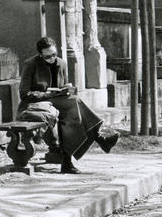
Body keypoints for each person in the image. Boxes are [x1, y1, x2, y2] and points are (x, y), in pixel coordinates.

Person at [18, 36, 119, 173]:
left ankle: (68, 162)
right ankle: (98, 139)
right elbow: (24, 94)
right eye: (48, 57)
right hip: (36, 104)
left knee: (70, 114)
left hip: (60, 103)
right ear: (40, 55)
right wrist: (46, 94)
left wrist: (68, 89)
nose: (52, 59)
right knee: (74, 103)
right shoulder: (30, 64)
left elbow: (64, 87)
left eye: (54, 54)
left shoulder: (62, 64)